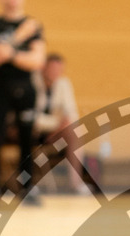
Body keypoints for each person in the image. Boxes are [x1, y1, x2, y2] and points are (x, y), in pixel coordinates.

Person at [0, 0, 44, 207]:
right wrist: (20, 36)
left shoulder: (33, 25)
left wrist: (11, 52)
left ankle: (27, 188)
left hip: (25, 90)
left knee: (27, 141)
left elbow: (37, 61)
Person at [33, 53, 85, 194]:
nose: (55, 73)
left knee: (76, 132)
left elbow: (71, 114)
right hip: (33, 132)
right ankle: (28, 185)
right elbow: (33, 118)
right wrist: (56, 124)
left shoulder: (64, 84)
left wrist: (57, 129)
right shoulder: (33, 82)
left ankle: (75, 183)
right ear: (44, 68)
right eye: (52, 69)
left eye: (58, 70)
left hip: (54, 133)